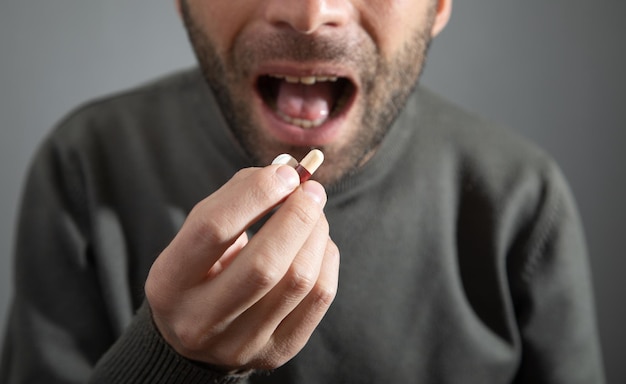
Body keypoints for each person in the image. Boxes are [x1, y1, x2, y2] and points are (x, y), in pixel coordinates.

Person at [1, 0, 605, 382]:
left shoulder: (522, 199)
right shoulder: (85, 164)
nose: (312, 14)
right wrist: (169, 362)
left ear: (440, 5)